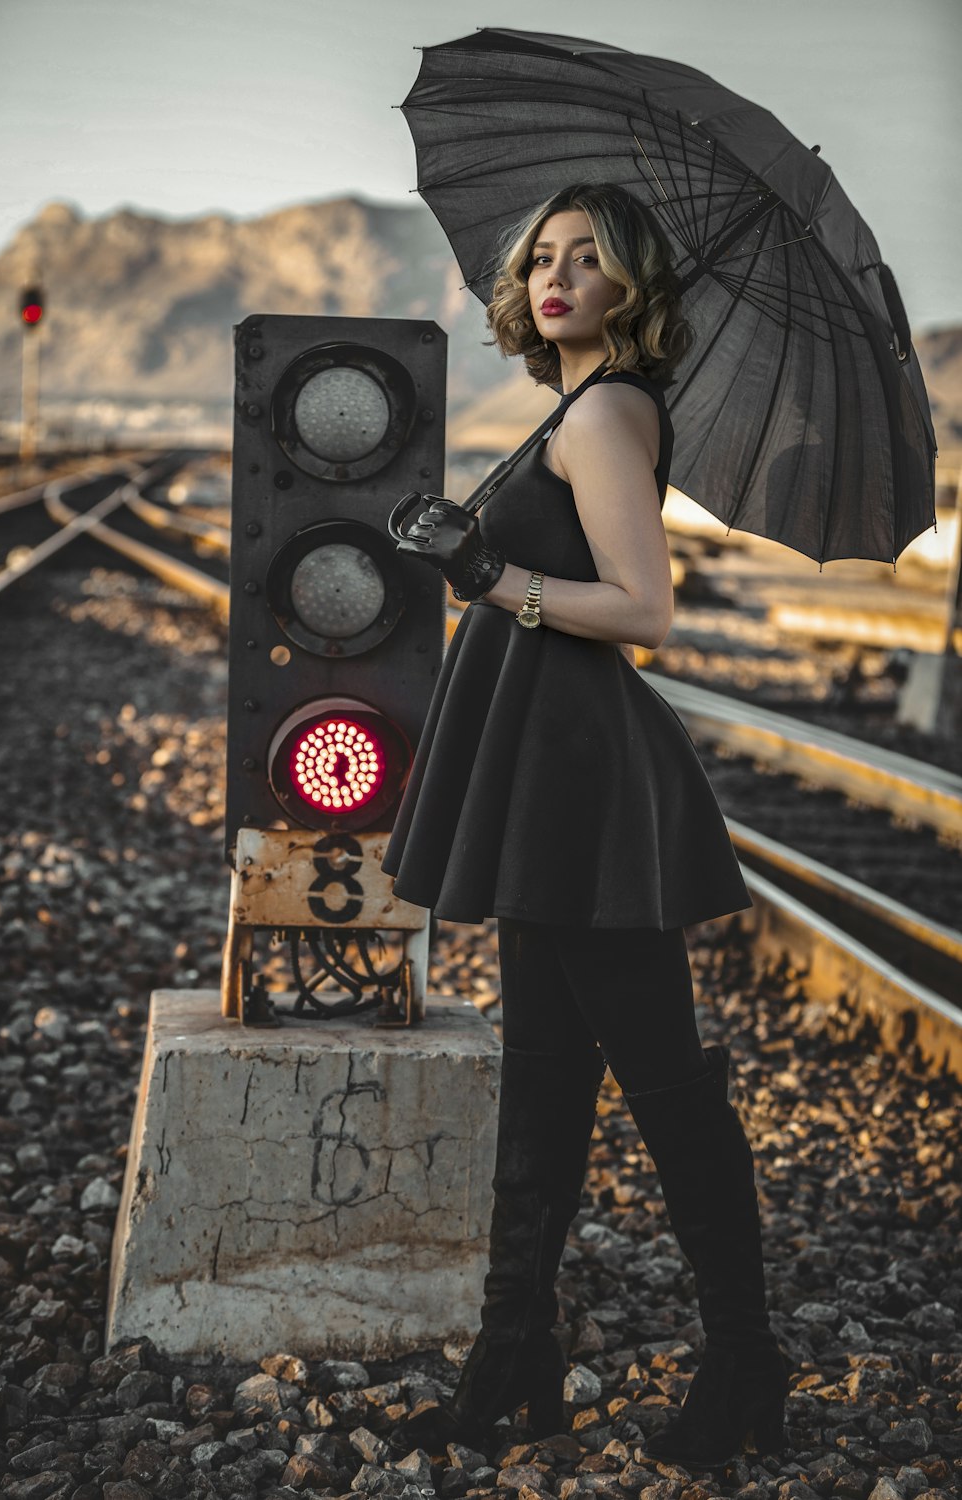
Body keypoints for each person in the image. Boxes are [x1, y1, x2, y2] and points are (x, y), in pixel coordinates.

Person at [381, 182, 791, 1470]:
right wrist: (466, 555)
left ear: (633, 287)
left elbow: (643, 609)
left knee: (665, 1080)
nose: (555, 277)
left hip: (581, 778)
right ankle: (516, 1349)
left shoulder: (609, 410)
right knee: (549, 1074)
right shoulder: (566, 408)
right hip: (541, 771)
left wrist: (484, 569)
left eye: (589, 259)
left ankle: (746, 1364)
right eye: (543, 258)